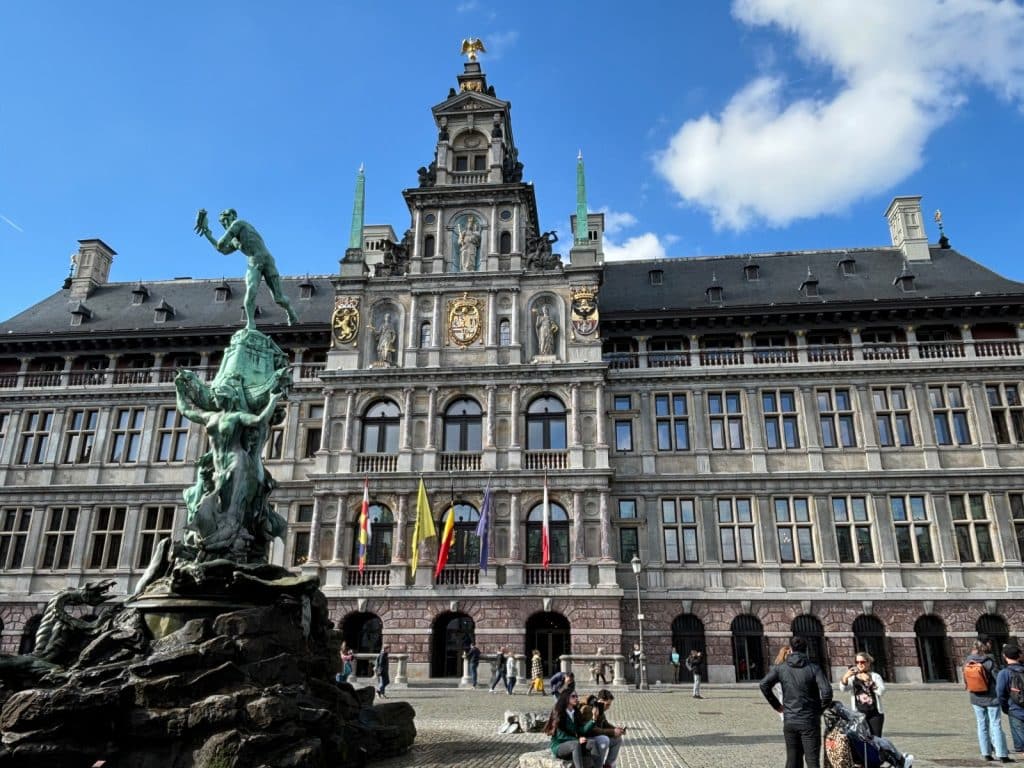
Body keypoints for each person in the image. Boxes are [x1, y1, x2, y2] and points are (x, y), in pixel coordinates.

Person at [195, 208, 298, 329]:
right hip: (253, 262)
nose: (226, 223)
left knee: (279, 299)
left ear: (233, 216)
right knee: (251, 290)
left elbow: (221, 244)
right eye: (223, 222)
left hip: (267, 260)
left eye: (226, 219)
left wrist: (208, 232)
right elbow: (222, 250)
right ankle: (250, 323)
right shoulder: (234, 240)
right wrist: (207, 234)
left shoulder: (239, 223)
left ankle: (290, 311)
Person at [759, 636, 833, 768]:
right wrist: (819, 710)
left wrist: (777, 705)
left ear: (791, 649)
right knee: (812, 760)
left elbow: (764, 684)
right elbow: (827, 692)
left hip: (790, 720)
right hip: (810, 721)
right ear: (806, 650)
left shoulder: (781, 668)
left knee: (792, 759)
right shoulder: (814, 668)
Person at [967, 638, 1012, 762]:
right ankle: (1002, 754)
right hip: (991, 697)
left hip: (975, 696)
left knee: (981, 724)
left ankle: (986, 753)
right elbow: (998, 679)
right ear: (986, 645)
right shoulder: (989, 660)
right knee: (995, 724)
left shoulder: (968, 660)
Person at [545, 689, 608, 768]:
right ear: (566, 698)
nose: (576, 698)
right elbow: (561, 736)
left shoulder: (575, 712)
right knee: (575, 744)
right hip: (559, 746)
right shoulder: (559, 713)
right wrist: (577, 739)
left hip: (574, 744)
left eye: (577, 696)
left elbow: (581, 730)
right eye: (573, 696)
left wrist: (594, 718)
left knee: (592, 742)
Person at [839, 651, 886, 736]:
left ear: (868, 663)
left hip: (874, 714)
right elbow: (843, 689)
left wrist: (869, 681)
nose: (860, 664)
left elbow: (881, 691)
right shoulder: (853, 678)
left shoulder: (875, 676)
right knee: (861, 738)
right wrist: (845, 677)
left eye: (862, 662)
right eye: (857, 662)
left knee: (875, 739)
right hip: (858, 714)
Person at [997, 644, 1024, 755]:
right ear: (1019, 656)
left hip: (1015, 708)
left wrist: (1005, 708)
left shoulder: (1004, 673)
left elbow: (1000, 693)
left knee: (1021, 744)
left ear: (1004, 656)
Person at [588, 689, 625, 768]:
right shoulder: (589, 709)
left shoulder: (600, 708)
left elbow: (605, 723)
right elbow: (593, 730)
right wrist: (612, 732)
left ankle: (608, 765)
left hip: (597, 735)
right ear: (600, 701)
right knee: (604, 740)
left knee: (617, 739)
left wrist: (616, 729)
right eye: (607, 704)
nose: (608, 707)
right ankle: (598, 765)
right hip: (589, 737)